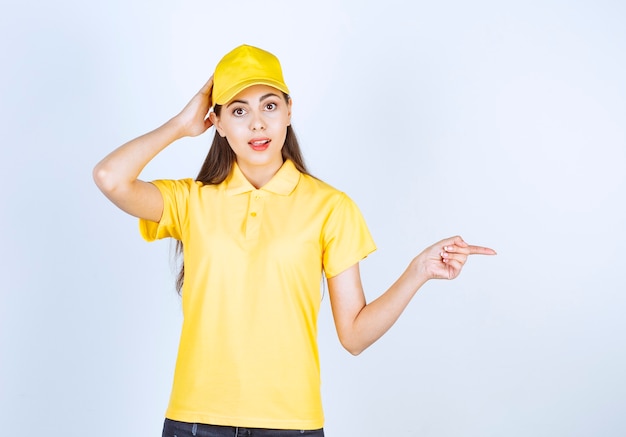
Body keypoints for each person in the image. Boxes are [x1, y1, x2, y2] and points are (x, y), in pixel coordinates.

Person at [93, 44, 496, 437]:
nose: (257, 124)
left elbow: (354, 336)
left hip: (291, 424)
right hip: (196, 420)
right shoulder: (190, 200)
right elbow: (110, 177)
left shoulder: (330, 207)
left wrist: (418, 271)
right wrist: (181, 126)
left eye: (270, 106)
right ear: (215, 123)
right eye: (238, 110)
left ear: (289, 111)